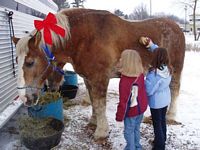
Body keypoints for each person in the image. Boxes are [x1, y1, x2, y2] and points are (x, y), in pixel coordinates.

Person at [139, 37, 172, 150]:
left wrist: (143, 80)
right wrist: (152, 45)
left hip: (156, 103)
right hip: (165, 100)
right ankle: (162, 139)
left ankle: (159, 146)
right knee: (162, 120)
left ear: (155, 58)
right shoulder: (167, 68)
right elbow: (160, 52)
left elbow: (149, 90)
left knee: (157, 124)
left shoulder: (154, 74)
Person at [116, 49, 148, 150]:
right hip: (141, 108)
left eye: (122, 58)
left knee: (128, 131)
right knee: (136, 128)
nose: (120, 60)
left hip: (131, 111)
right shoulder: (140, 75)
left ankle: (131, 147)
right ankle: (137, 146)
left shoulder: (125, 81)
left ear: (126, 63)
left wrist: (119, 116)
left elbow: (124, 102)